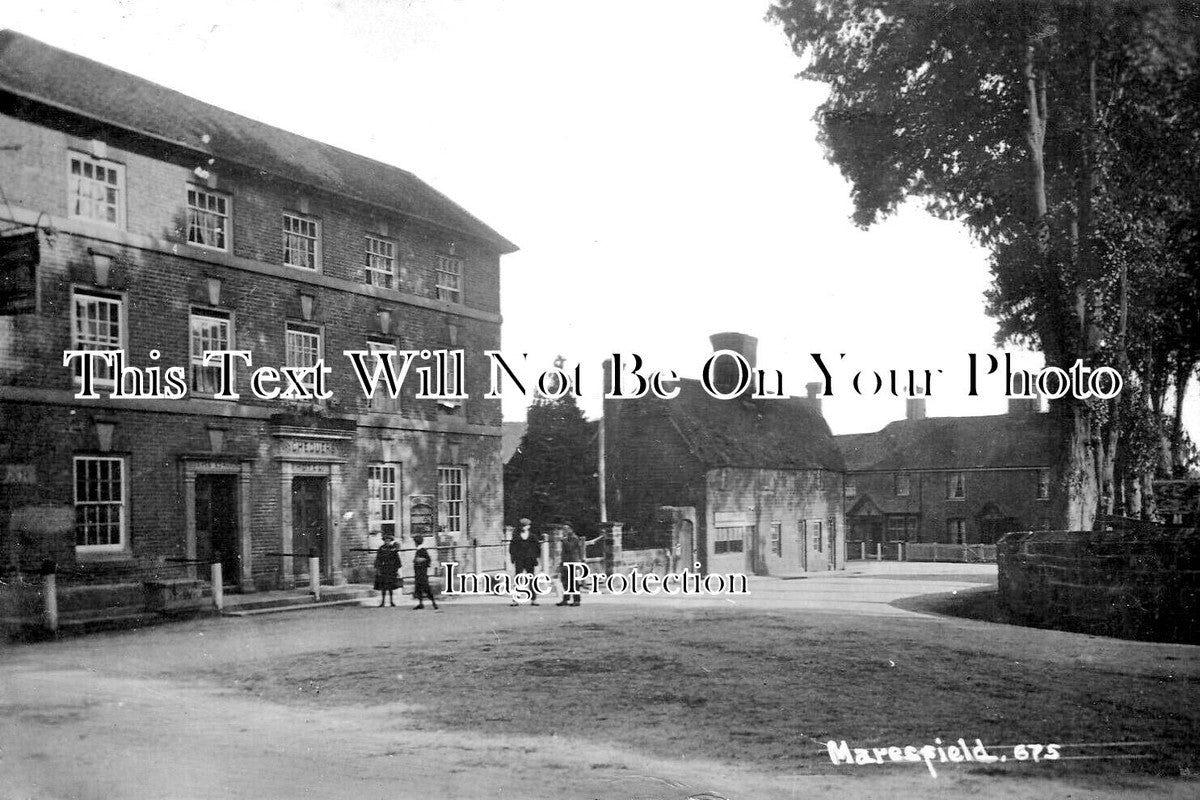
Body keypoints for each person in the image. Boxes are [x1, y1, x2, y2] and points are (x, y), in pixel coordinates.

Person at [556, 524, 604, 606]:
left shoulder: (574, 538)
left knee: (573, 582)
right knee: (565, 582)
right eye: (563, 529)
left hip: (572, 562)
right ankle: (566, 599)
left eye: (566, 529)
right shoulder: (567, 538)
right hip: (565, 562)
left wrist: (563, 540)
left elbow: (570, 548)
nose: (564, 531)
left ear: (571, 529)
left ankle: (576, 600)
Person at [508, 517, 541, 606]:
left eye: (525, 525)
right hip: (519, 559)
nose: (524, 527)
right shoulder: (516, 536)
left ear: (529, 526)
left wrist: (536, 558)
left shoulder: (533, 536)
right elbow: (512, 548)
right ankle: (516, 599)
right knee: (518, 578)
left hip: (530, 560)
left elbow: (537, 548)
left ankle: (533, 599)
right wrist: (512, 557)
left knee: (531, 579)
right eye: (522, 526)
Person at [373, 531, 402, 607]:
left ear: (391, 541)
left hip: (391, 570)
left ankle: (391, 601)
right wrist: (378, 569)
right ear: (384, 541)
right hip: (384, 569)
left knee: (390, 586)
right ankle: (382, 602)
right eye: (386, 540)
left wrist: (397, 569)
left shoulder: (393, 549)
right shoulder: (381, 549)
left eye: (388, 540)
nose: (387, 541)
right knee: (383, 586)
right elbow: (378, 559)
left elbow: (397, 560)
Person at [411, 535, 438, 611]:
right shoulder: (419, 550)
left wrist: (420, 560)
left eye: (415, 542)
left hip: (422, 573)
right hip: (418, 573)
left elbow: (428, 560)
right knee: (419, 588)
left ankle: (433, 603)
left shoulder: (422, 550)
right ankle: (421, 603)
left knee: (426, 588)